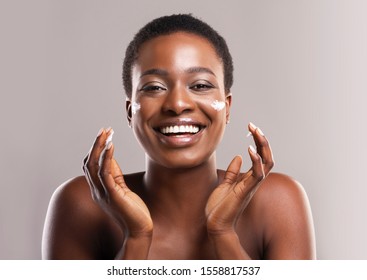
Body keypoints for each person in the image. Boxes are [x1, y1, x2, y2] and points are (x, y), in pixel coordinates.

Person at [42, 14, 316, 260]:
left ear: (227, 107)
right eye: (154, 87)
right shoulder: (82, 205)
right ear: (130, 112)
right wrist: (136, 238)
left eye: (200, 85)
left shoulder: (277, 202)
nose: (177, 103)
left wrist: (223, 234)